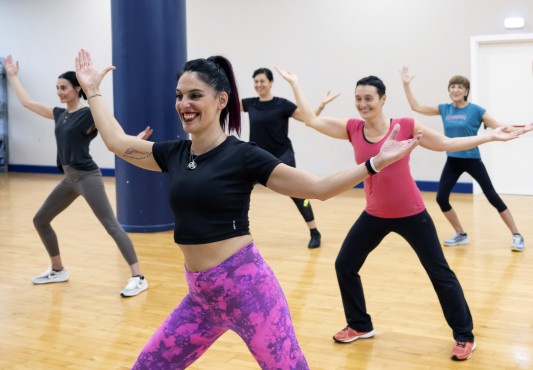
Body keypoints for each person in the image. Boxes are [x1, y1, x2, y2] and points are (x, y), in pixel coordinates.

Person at [75, 49, 420, 369]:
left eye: (195, 95)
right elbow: (117, 143)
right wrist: (92, 92)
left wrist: (374, 163)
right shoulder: (175, 154)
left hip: (249, 291)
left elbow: (318, 188)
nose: (184, 104)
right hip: (201, 298)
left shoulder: (243, 156)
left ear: (221, 100)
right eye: (179, 96)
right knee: (148, 365)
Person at [276, 66, 523, 361]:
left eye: (369, 98)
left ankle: (464, 336)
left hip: (411, 213)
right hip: (374, 213)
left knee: (440, 273)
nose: (363, 104)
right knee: (345, 264)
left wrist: (490, 137)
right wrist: (295, 83)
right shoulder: (353, 128)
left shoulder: (406, 124)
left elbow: (445, 144)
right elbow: (312, 120)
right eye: (358, 99)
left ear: (383, 99)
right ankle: (360, 324)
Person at [4, 55, 149, 297]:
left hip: (87, 177)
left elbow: (114, 132)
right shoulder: (60, 114)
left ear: (77, 89)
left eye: (63, 88)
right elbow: (27, 102)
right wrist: (13, 76)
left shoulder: (89, 114)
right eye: (57, 88)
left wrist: (134, 140)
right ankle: (57, 269)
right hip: (69, 179)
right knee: (40, 220)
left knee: (111, 226)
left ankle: (138, 277)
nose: (59, 92)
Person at [400, 66, 527, 252]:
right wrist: (406, 85)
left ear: (466, 91)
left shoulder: (476, 110)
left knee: (492, 197)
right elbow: (416, 107)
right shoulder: (444, 109)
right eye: (452, 87)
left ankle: (517, 235)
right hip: (453, 160)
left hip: (472, 159)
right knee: (441, 198)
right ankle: (460, 234)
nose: (455, 90)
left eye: (460, 87)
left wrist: (523, 129)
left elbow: (499, 126)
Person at [241, 68, 340, 248]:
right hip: (256, 157)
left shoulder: (282, 104)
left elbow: (308, 118)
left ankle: (314, 231)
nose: (258, 85)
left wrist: (321, 105)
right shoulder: (250, 104)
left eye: (262, 81)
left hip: (282, 156)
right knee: (236, 190)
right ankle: (234, 233)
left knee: (298, 194)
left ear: (270, 83)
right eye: (255, 81)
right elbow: (224, 106)